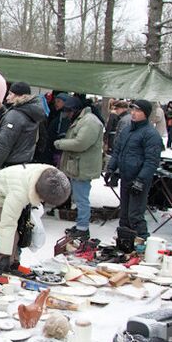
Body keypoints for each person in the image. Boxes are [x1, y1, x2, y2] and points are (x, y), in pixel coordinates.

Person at [0, 164, 71, 274]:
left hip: (9, 186)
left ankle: (13, 263)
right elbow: (8, 225)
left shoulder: (51, 177)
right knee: (11, 233)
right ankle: (1, 266)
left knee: (17, 232)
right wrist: (5, 256)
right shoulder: (19, 194)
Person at [105, 100, 163, 239]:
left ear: (146, 114)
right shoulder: (127, 130)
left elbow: (152, 161)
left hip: (139, 179)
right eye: (133, 110)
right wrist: (111, 168)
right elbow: (117, 151)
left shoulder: (150, 134)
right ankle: (125, 243)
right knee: (124, 215)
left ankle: (142, 242)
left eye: (138, 111)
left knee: (135, 215)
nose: (133, 113)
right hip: (126, 176)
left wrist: (141, 181)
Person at [54, 97, 104, 240]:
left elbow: (81, 143)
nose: (67, 115)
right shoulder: (84, 120)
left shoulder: (89, 121)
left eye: (68, 112)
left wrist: (60, 143)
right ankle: (81, 224)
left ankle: (83, 228)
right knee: (79, 198)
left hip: (83, 167)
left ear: (75, 110)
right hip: (79, 165)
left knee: (82, 199)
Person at [0, 82, 45, 180]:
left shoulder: (15, 116)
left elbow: (2, 147)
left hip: (8, 168)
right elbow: (19, 126)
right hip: (22, 165)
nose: (7, 97)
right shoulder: (31, 111)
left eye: (10, 94)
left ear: (20, 96)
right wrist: (1, 109)